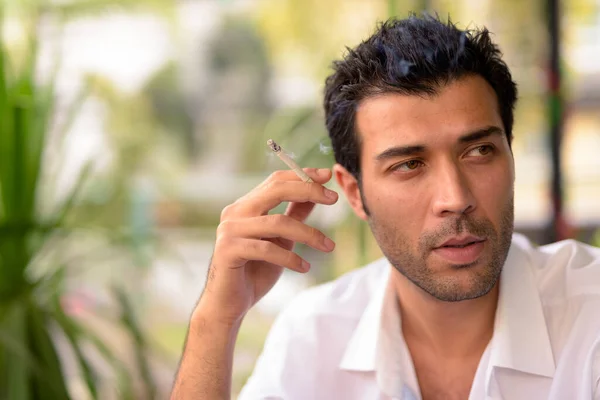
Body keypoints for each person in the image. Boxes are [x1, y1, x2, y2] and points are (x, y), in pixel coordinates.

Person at [170, 14, 600, 400]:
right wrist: (216, 321)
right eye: (409, 164)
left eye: (480, 151)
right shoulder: (316, 335)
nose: (456, 199)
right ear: (354, 193)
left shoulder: (590, 314)